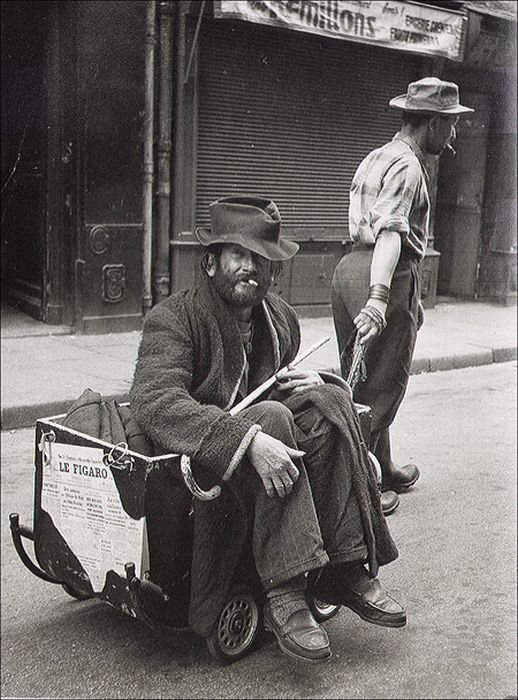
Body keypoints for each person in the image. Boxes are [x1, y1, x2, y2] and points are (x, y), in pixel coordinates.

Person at [130, 195, 405, 664]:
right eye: (239, 255)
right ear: (211, 262)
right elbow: (155, 402)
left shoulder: (280, 319)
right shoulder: (173, 319)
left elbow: (279, 390)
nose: (251, 268)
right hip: (197, 464)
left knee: (331, 403)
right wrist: (246, 440)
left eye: (262, 259)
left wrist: (317, 381)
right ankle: (286, 591)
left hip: (259, 458)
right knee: (274, 419)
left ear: (274, 271)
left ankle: (343, 564)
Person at [331, 77, 474, 516]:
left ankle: (383, 465)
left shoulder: (378, 154)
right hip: (384, 274)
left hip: (349, 269)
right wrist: (379, 297)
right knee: (383, 384)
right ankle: (358, 491)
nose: (452, 136)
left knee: (361, 377)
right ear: (430, 124)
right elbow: (392, 232)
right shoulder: (410, 167)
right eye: (449, 125)